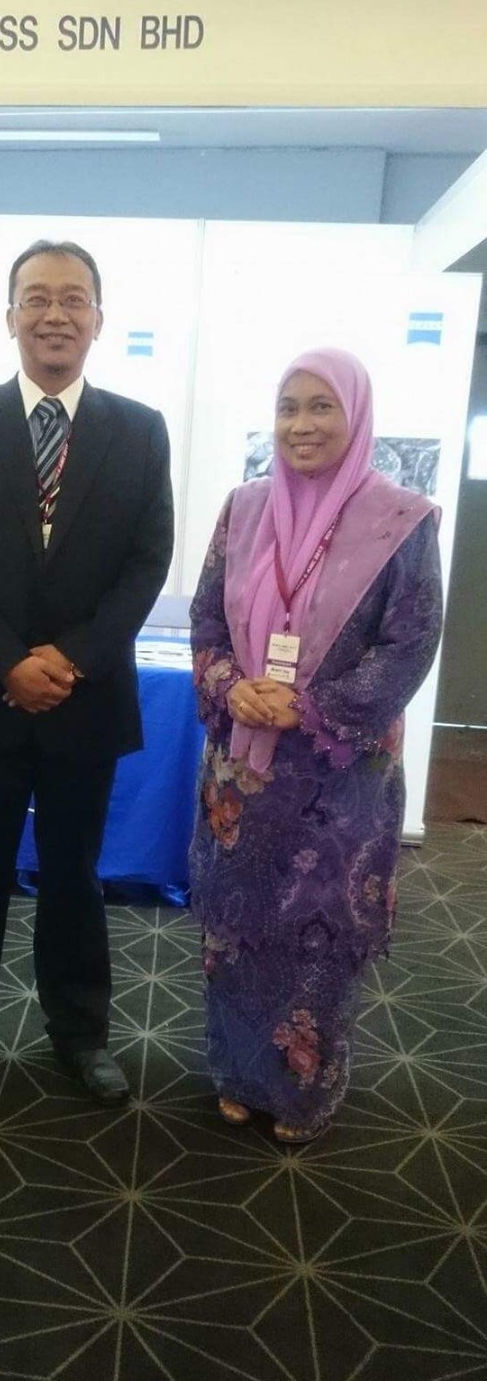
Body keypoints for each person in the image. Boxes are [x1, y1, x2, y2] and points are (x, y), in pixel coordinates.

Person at [0, 239, 174, 1106]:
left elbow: (147, 561)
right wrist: (7, 662)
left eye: (72, 298)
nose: (54, 313)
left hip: (84, 697)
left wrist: (69, 658)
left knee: (74, 877)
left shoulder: (140, 430)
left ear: (99, 319)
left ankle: (80, 1033)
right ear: (10, 316)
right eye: (36, 297)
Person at [189, 347, 443, 1144]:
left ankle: (302, 1091)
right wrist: (232, 686)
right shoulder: (244, 509)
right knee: (236, 931)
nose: (301, 424)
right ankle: (238, 1074)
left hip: (339, 778)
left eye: (322, 406)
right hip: (244, 773)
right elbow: (205, 620)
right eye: (288, 406)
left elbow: (411, 641)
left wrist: (310, 707)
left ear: (355, 416)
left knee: (317, 936)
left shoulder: (402, 521)